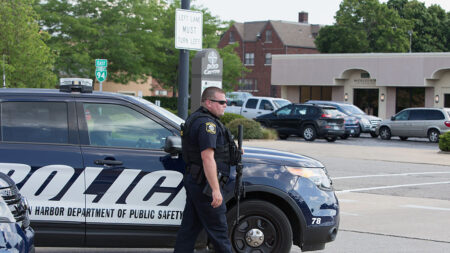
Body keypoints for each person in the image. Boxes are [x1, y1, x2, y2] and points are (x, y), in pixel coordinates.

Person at [174, 87, 233, 253]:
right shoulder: (207, 124)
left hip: (196, 181)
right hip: (204, 185)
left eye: (226, 102)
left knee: (189, 229)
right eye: (221, 102)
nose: (225, 105)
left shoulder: (198, 119)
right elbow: (207, 158)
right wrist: (215, 189)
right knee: (219, 231)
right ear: (208, 102)